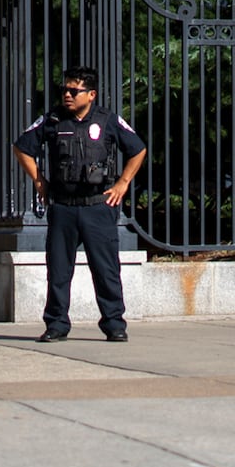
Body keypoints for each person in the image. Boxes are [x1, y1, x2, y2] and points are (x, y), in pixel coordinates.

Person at [13, 65, 146, 343]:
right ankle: (57, 324)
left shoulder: (107, 120)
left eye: (75, 91)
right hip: (63, 207)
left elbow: (138, 149)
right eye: (65, 90)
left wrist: (122, 183)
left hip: (98, 206)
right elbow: (22, 147)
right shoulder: (52, 119)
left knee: (106, 269)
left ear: (91, 94)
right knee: (59, 270)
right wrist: (39, 180)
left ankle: (114, 323)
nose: (68, 95)